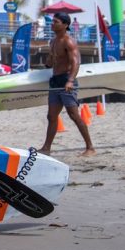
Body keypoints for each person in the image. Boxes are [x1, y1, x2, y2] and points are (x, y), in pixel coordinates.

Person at [39, 12, 95, 156]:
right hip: (55, 81)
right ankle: (46, 148)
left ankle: (90, 147)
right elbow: (51, 62)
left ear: (65, 25)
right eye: (52, 21)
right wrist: (48, 61)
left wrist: (70, 80)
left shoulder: (68, 41)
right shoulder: (52, 41)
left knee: (74, 115)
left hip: (66, 81)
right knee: (51, 116)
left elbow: (76, 62)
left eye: (56, 22)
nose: (52, 24)